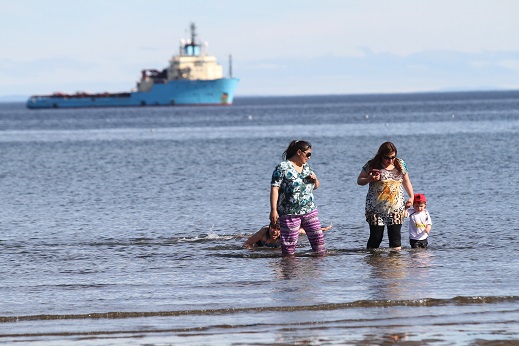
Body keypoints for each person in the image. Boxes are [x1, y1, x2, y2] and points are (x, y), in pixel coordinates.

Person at [270, 140, 326, 255]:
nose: (309, 157)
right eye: (308, 154)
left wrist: (315, 179)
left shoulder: (307, 167)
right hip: (289, 213)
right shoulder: (283, 167)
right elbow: (275, 188)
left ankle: (317, 271)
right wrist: (273, 210)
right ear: (299, 152)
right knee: (289, 249)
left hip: (310, 211)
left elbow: (315, 187)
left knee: (319, 246)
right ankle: (290, 271)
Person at [357, 142, 414, 250]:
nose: (391, 160)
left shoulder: (401, 164)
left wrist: (411, 197)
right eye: (387, 158)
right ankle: (373, 263)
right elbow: (359, 180)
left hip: (396, 208)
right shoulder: (372, 164)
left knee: (395, 240)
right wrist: (369, 179)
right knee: (376, 238)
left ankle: (395, 265)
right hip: (375, 209)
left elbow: (406, 181)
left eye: (393, 157)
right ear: (381, 155)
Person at [243, 222, 333, 249]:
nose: (274, 232)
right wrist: (254, 250)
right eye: (273, 228)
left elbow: (305, 231)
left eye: (278, 229)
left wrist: (323, 229)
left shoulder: (285, 234)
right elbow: (246, 244)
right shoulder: (263, 233)